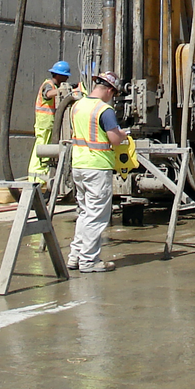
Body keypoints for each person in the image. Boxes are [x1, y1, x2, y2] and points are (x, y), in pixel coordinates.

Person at [67, 71, 126, 272]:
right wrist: (123, 134)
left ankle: (75, 257)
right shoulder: (104, 110)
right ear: (109, 90)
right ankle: (89, 261)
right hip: (97, 167)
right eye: (113, 93)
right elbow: (115, 140)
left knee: (84, 213)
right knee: (96, 216)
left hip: (79, 165)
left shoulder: (77, 106)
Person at [28, 61, 75, 187]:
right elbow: (48, 94)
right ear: (59, 75)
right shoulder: (48, 85)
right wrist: (64, 90)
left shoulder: (54, 86)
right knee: (41, 148)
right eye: (65, 76)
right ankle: (36, 177)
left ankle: (42, 176)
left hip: (49, 124)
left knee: (48, 150)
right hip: (44, 124)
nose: (67, 78)